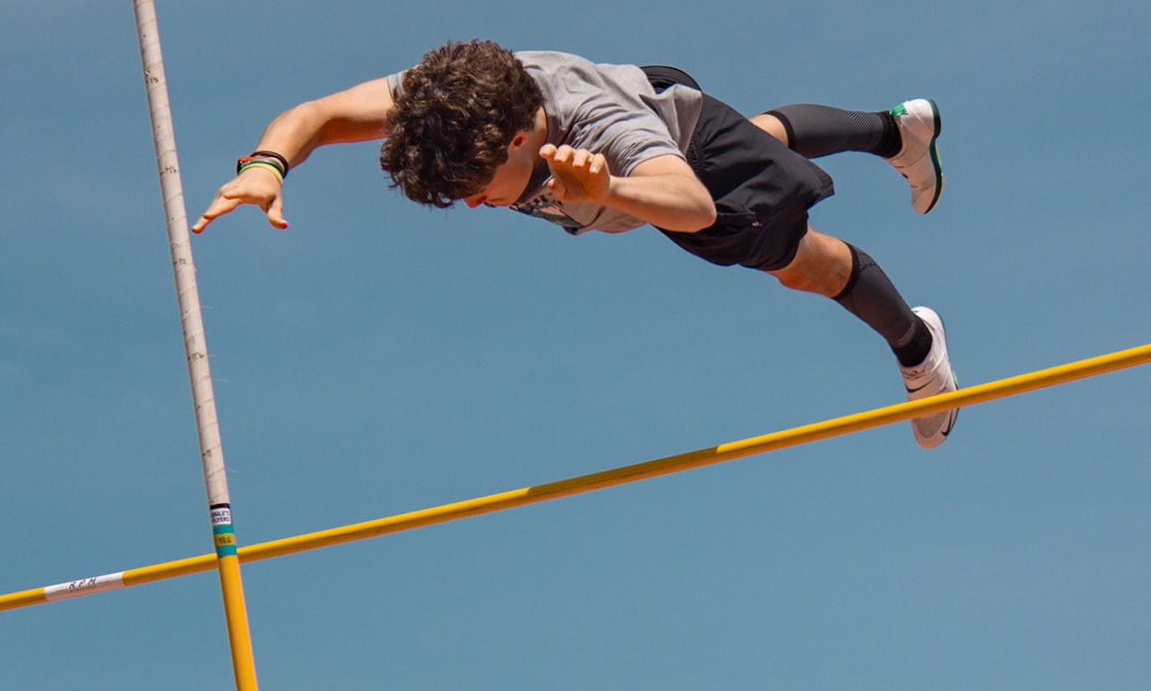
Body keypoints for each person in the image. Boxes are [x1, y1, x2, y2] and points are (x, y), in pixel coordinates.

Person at [194, 44, 961, 448]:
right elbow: (319, 115)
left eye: (478, 185)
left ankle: (918, 345)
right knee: (757, 135)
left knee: (800, 264)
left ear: (520, 137)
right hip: (660, 108)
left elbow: (692, 206)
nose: (474, 202)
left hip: (670, 156)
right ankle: (899, 131)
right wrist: (267, 166)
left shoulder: (595, 126)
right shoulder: (445, 101)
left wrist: (611, 189)